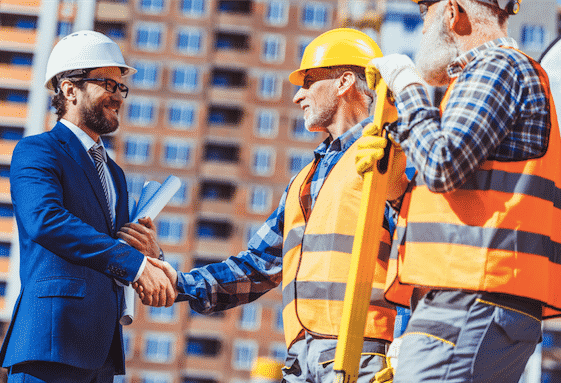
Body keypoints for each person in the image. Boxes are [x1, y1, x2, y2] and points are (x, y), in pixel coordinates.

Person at [137, 28, 406, 383]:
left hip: (362, 351)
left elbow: (416, 246)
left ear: (344, 82)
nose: (298, 96)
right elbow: (259, 265)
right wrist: (181, 282)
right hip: (302, 360)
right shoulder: (303, 180)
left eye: (308, 81)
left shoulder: (388, 154)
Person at [363, 0, 561, 382]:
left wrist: (408, 86)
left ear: (452, 12)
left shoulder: (498, 68)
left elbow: (441, 165)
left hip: (471, 298)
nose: (423, 30)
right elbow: (459, 193)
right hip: (469, 300)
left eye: (425, 14)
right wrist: (397, 189)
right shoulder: (484, 78)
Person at [0, 30, 177, 382]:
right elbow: (46, 221)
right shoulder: (38, 151)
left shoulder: (114, 173)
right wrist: (135, 264)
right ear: (69, 90)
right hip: (51, 341)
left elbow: (114, 249)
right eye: (107, 85)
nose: (117, 97)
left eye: (120, 87)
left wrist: (149, 251)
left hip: (102, 352)